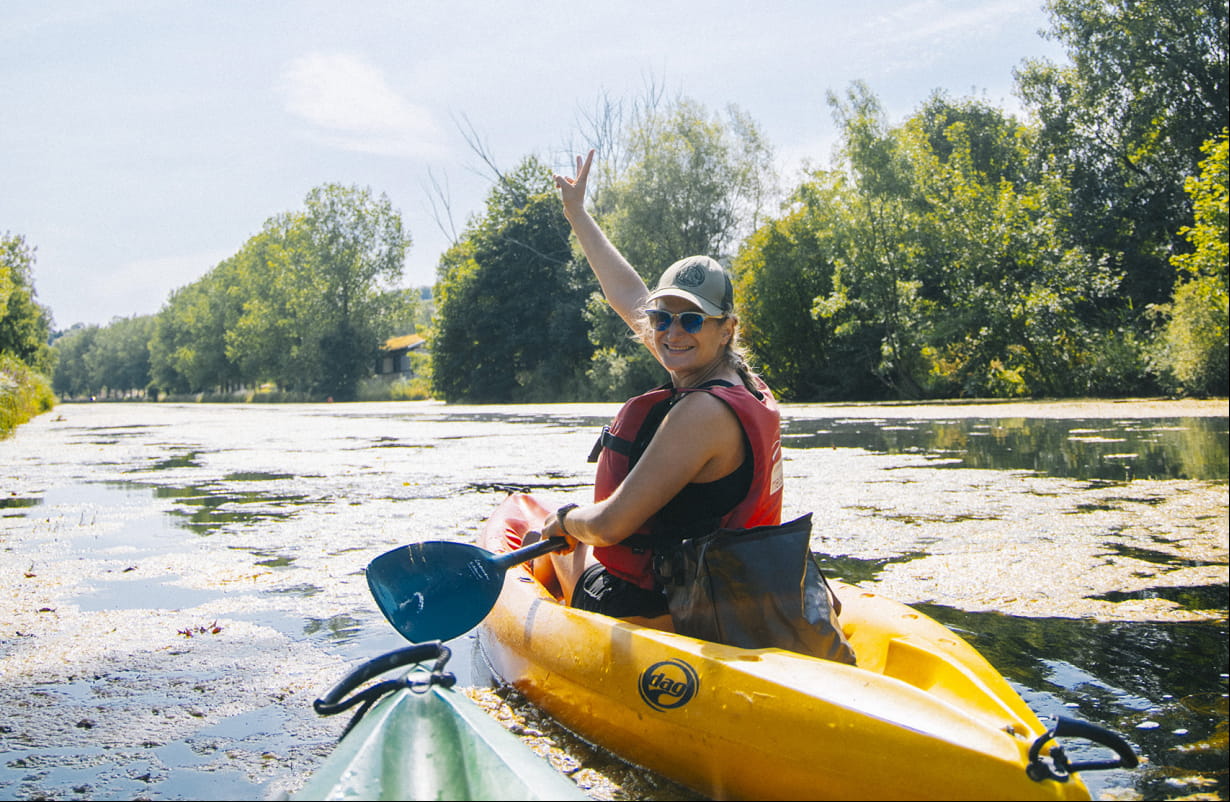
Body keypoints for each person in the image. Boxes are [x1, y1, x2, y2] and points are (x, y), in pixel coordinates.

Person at [536, 150, 784, 630]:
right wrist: (578, 215)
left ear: (726, 328)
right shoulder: (741, 382)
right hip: (736, 591)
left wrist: (566, 521)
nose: (672, 332)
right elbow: (628, 295)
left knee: (559, 541)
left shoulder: (700, 414)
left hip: (676, 607)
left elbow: (609, 527)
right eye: (661, 318)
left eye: (691, 318)